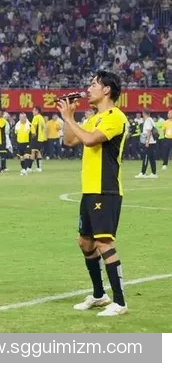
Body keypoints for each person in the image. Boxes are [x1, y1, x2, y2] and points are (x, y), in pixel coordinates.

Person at [59, 70, 128, 316]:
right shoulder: (95, 118)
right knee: (85, 242)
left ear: (107, 90)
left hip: (105, 189)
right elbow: (70, 141)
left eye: (94, 84)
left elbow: (90, 140)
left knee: (103, 242)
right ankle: (99, 295)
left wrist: (70, 118)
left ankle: (120, 302)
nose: (89, 89)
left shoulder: (115, 116)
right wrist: (69, 117)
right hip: (89, 189)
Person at [135, 108, 158, 178]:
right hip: (152, 141)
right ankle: (153, 173)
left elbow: (149, 131)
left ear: (144, 113)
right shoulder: (150, 120)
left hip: (149, 142)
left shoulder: (148, 120)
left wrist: (147, 142)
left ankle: (143, 172)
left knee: (146, 156)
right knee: (151, 157)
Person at [30, 106, 47, 172]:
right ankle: (39, 167)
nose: (32, 111)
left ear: (37, 111)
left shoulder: (36, 117)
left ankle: (29, 168)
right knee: (38, 152)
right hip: (41, 138)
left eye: (34, 110)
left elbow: (34, 126)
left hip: (36, 137)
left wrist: (33, 134)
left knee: (33, 151)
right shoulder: (41, 118)